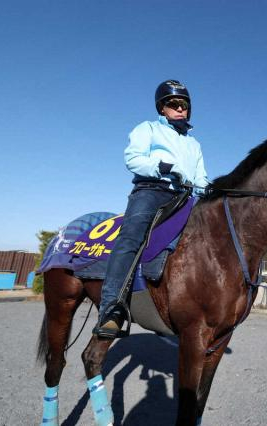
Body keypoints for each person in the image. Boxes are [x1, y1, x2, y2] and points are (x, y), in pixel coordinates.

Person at [93, 80, 208, 338]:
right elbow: (133, 159)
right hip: (152, 191)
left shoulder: (194, 144)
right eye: (173, 104)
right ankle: (112, 309)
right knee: (131, 237)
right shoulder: (147, 129)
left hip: (185, 197)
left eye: (184, 105)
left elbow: (201, 178)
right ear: (162, 108)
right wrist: (164, 167)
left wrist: (212, 189)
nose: (180, 109)